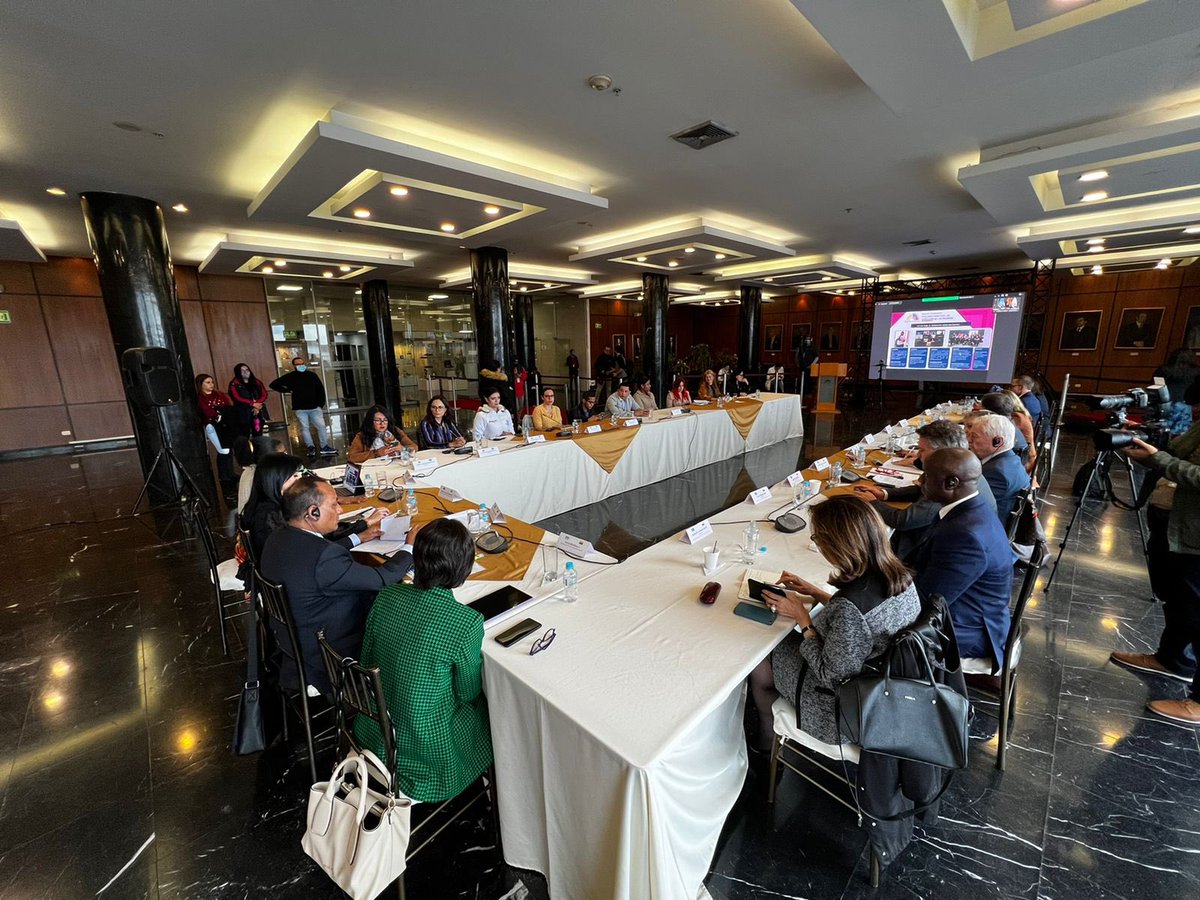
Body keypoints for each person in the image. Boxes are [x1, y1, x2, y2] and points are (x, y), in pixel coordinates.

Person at [747, 496, 920, 750]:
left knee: (761, 655)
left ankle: (766, 738)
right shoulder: (898, 574)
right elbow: (864, 623)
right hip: (886, 688)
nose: (815, 542)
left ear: (837, 546)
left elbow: (832, 676)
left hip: (840, 711)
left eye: (816, 538)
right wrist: (816, 592)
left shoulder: (850, 607)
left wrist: (803, 619)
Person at [353, 518, 493, 801]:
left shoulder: (387, 595)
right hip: (424, 748)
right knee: (488, 713)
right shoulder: (465, 623)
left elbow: (366, 658)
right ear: (463, 569)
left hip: (372, 726)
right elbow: (468, 693)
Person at [259, 477, 414, 696]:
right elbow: (382, 578)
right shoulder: (324, 558)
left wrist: (357, 538)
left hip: (291, 639)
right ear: (313, 512)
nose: (340, 510)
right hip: (329, 651)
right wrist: (409, 547)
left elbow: (317, 554)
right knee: (401, 618)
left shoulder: (279, 537)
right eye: (333, 504)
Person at [1110, 421, 1200, 724]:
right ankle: (1171, 659)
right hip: (1179, 525)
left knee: (1198, 612)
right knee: (1179, 600)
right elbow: (1178, 451)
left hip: (1196, 534)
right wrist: (1149, 439)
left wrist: (1159, 458)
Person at [906, 448, 1013, 669]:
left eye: (926, 476)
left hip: (966, 632)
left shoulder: (965, 535)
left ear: (951, 483)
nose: (920, 481)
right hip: (971, 611)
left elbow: (927, 601)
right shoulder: (969, 509)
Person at [852, 419, 995, 558]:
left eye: (922, 450)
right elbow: (923, 490)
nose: (917, 455)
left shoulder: (948, 482)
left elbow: (904, 521)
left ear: (941, 452)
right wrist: (884, 494)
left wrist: (872, 503)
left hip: (923, 549)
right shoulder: (959, 468)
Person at [240, 454, 386, 574]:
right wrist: (359, 535)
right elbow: (317, 550)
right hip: (297, 580)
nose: (300, 480)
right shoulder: (271, 518)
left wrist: (363, 526)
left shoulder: (265, 505)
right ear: (276, 480)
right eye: (294, 477)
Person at [965, 412, 1029, 524]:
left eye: (974, 436)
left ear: (998, 441)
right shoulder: (1012, 459)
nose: (969, 440)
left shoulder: (997, 473)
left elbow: (971, 506)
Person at [269, 356, 336, 458]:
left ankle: (324, 446)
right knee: (305, 428)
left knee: (321, 426)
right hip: (300, 408)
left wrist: (320, 404)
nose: (301, 365)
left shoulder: (312, 375)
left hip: (315, 407)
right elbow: (274, 384)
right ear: (294, 366)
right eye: (298, 364)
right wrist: (287, 390)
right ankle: (310, 447)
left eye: (302, 363)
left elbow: (320, 390)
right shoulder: (291, 376)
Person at [980, 391, 1037, 475]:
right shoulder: (1010, 420)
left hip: (1009, 469)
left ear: (988, 412)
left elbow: (986, 449)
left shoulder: (1000, 428)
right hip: (1018, 464)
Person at [195, 373, 235, 491]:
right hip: (212, 426)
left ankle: (230, 473)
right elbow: (207, 412)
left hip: (224, 425)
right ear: (200, 384)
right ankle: (224, 476)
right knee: (223, 450)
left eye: (211, 382)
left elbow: (228, 407)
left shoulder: (220, 395)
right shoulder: (200, 398)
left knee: (228, 449)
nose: (211, 385)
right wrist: (217, 414)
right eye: (207, 382)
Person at [347, 405, 416, 464]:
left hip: (397, 464)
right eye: (378, 420)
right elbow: (352, 457)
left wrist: (403, 449)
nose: (382, 423)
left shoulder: (395, 430)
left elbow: (414, 447)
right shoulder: (361, 435)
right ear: (370, 421)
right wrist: (376, 453)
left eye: (385, 420)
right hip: (375, 469)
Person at [1154, 348, 1200, 434]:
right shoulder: (1197, 371)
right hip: (1187, 405)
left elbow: (1156, 387)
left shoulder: (1162, 370)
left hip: (1165, 403)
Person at [228, 363, 269, 438]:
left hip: (258, 410)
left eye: (247, 369)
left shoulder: (256, 382)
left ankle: (258, 448)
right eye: (242, 370)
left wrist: (257, 405)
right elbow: (236, 397)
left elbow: (264, 394)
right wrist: (252, 404)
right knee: (244, 435)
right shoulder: (234, 384)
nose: (245, 372)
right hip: (243, 412)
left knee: (258, 433)